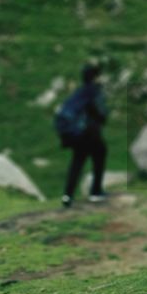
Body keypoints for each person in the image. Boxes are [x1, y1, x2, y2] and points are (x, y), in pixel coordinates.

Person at [56, 61, 109, 207]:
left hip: (76, 134)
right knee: (100, 154)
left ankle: (68, 196)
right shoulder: (93, 91)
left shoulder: (79, 92)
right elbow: (98, 113)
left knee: (77, 161)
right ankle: (96, 191)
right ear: (95, 77)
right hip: (88, 133)